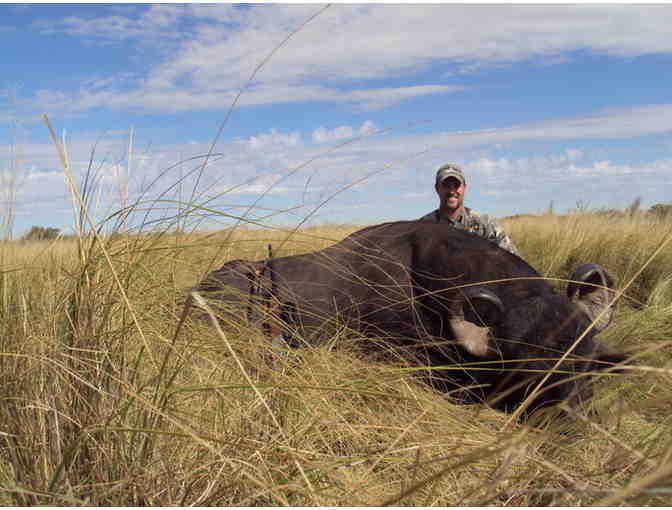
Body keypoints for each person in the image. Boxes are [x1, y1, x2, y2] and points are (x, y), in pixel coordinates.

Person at [418, 163, 520, 256]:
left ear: (464, 188)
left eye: (456, 185)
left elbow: (515, 262)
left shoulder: (485, 226)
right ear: (437, 188)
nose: (452, 191)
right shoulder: (424, 227)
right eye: (446, 185)